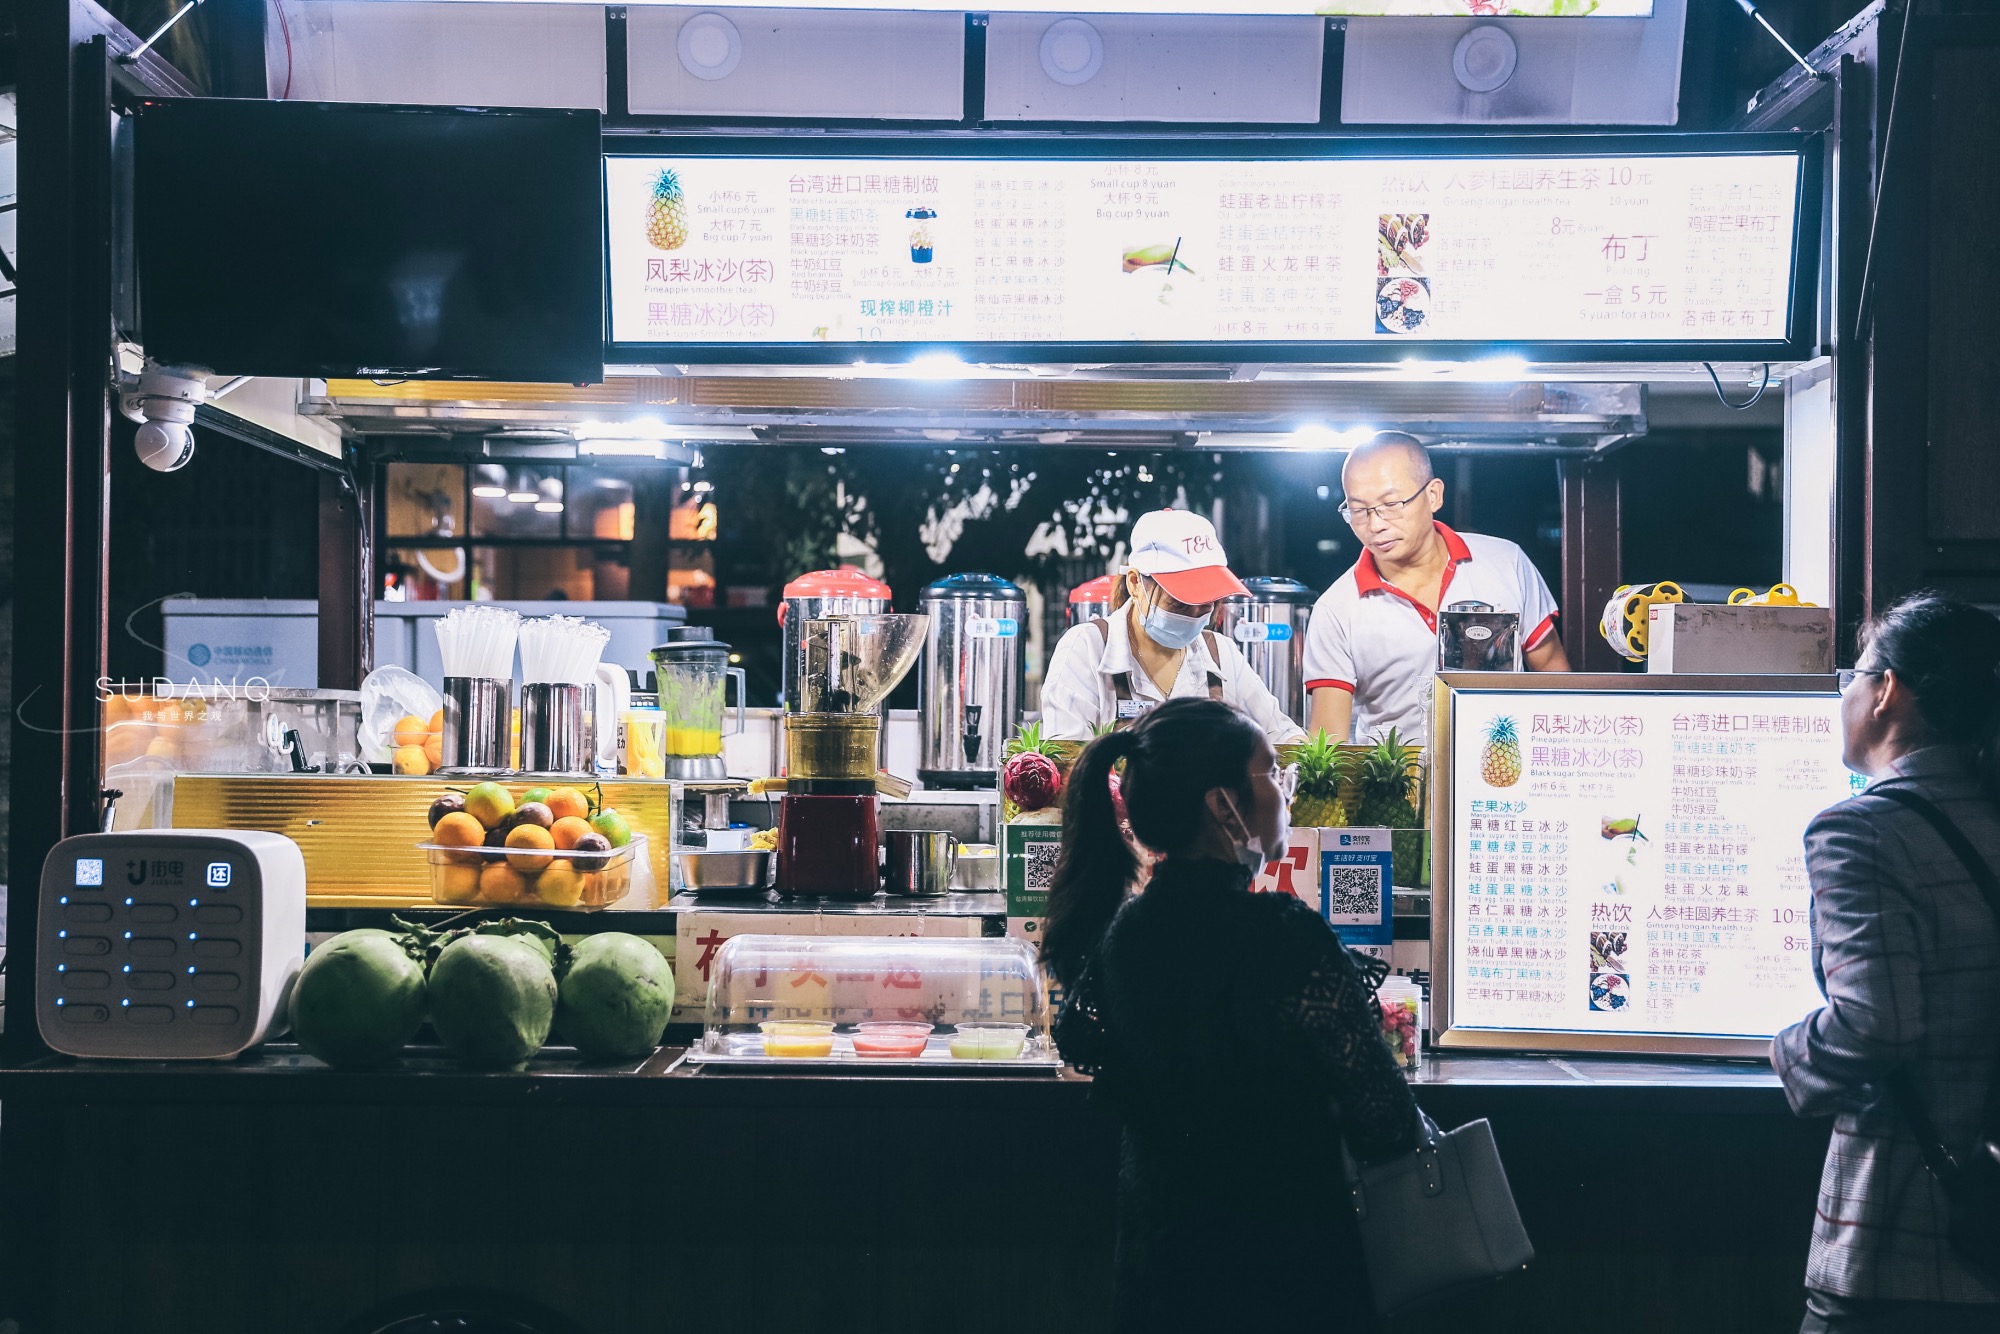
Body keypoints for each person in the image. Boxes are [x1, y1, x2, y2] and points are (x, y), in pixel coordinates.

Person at [1043, 697, 1421, 1332]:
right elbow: (1384, 1121)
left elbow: (1086, 1036)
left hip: (1162, 1278)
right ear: (1222, 806)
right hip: (1282, 1278)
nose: (1284, 790)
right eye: (1272, 772)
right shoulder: (1282, 935)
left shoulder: (1125, 934)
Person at [1773, 593, 2000, 1332]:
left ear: (1888, 691)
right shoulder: (1986, 813)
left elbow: (1877, 1024)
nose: (1846, 692)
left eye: (1854, 673)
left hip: (1904, 1229)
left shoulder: (1861, 831)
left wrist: (1787, 1049)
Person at [1304, 432, 1569, 744]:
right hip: (1394, 788)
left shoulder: (1506, 562)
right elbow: (1329, 743)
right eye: (1358, 510)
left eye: (1390, 504)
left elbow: (1555, 677)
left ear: (1433, 495)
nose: (1375, 525)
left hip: (1504, 772)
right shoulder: (1335, 609)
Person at [1041, 508, 1306, 743]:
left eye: (1207, 603)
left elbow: (1282, 736)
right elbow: (1067, 762)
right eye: (1179, 603)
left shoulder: (1222, 654)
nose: (1193, 615)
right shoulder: (1087, 649)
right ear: (1135, 583)